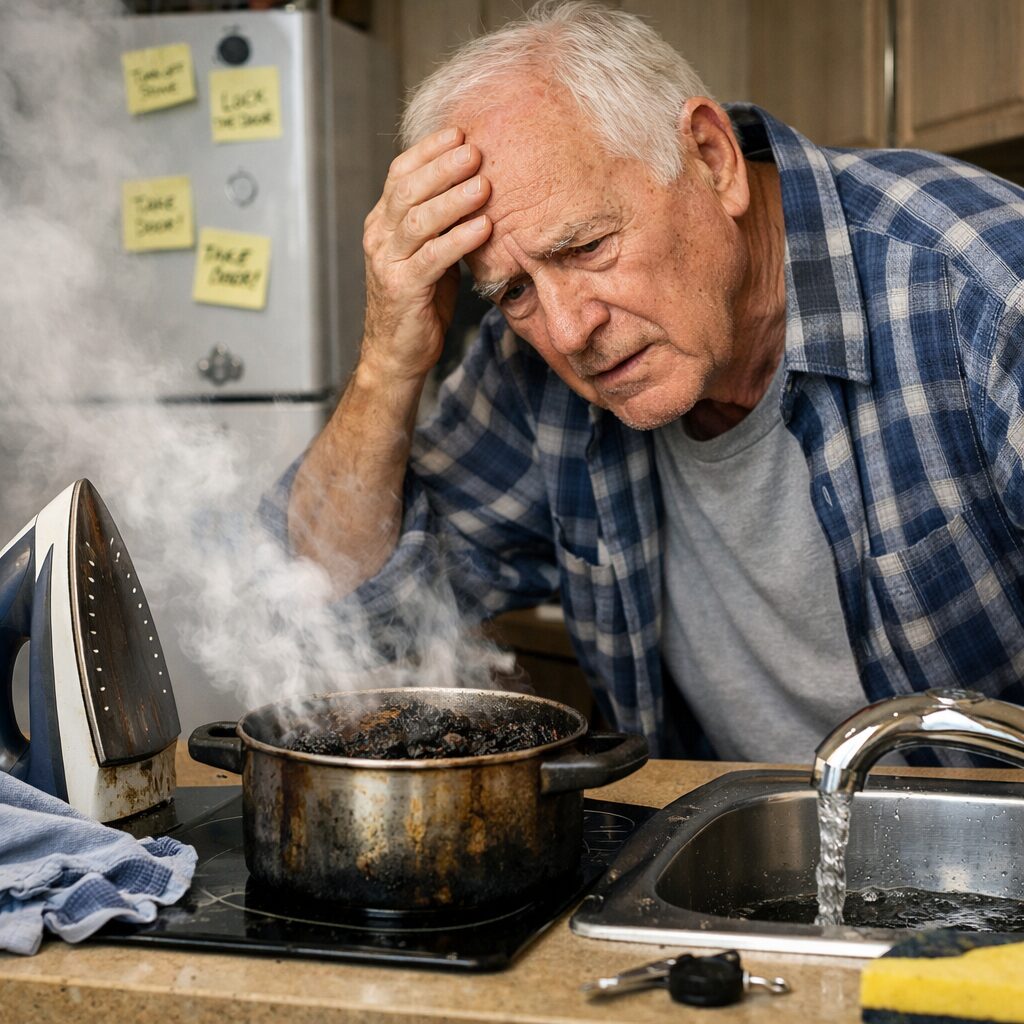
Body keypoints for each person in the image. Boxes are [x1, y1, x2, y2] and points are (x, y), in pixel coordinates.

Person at [280, 0, 1024, 761]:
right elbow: (323, 606)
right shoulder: (528, 365)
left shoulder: (990, 293)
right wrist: (386, 365)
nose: (569, 333)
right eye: (514, 291)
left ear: (710, 158)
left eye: (588, 246)